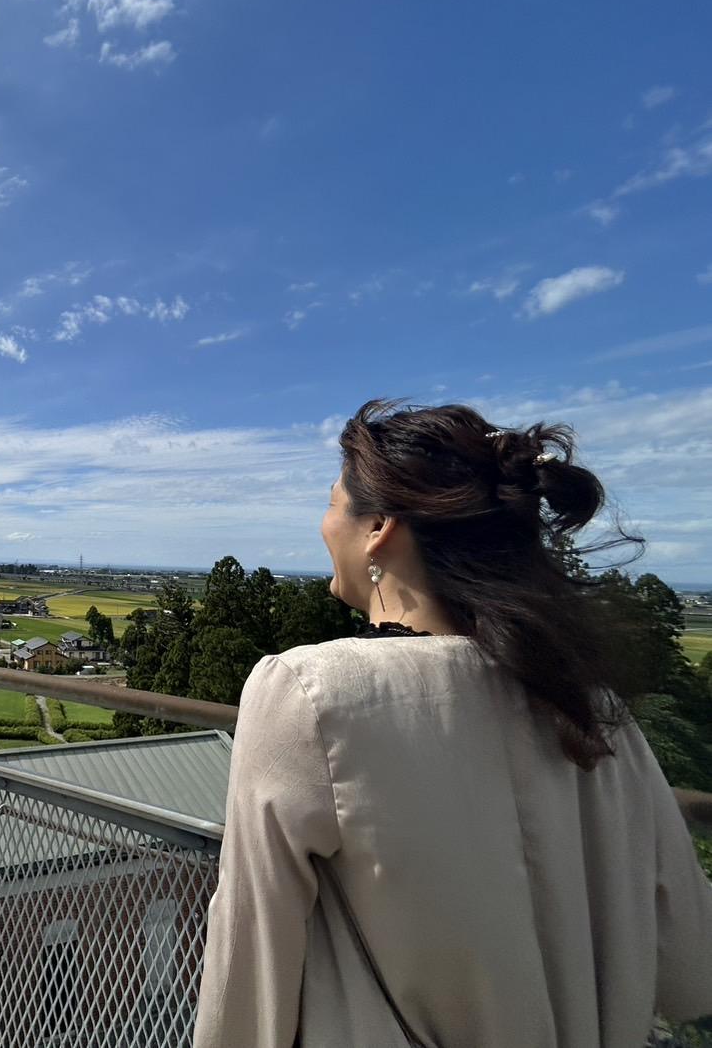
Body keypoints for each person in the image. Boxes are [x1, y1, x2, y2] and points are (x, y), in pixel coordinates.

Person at [193, 399, 712, 1048]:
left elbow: (249, 955)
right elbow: (690, 965)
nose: (323, 526)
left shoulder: (309, 693)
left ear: (377, 526)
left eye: (331, 504)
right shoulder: (594, 708)